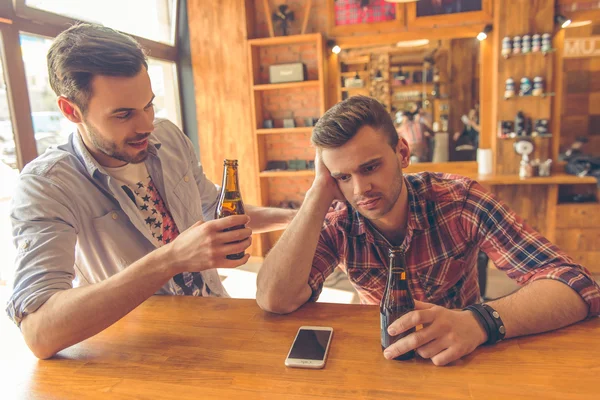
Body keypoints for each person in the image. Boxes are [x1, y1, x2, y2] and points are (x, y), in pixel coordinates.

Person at [6, 24, 296, 359]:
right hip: (142, 357)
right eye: (124, 114)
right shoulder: (46, 185)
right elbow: (40, 332)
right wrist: (171, 259)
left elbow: (213, 208)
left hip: (219, 323)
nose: (146, 125)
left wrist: (298, 218)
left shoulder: (168, 138)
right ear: (72, 111)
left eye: (149, 105)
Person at [256, 95, 600, 366]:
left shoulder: (459, 200)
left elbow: (577, 285)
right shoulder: (339, 219)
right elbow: (275, 299)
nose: (360, 190)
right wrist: (317, 194)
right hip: (382, 353)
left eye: (371, 167)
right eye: (343, 177)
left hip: (466, 351)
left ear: (402, 152)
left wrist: (480, 322)